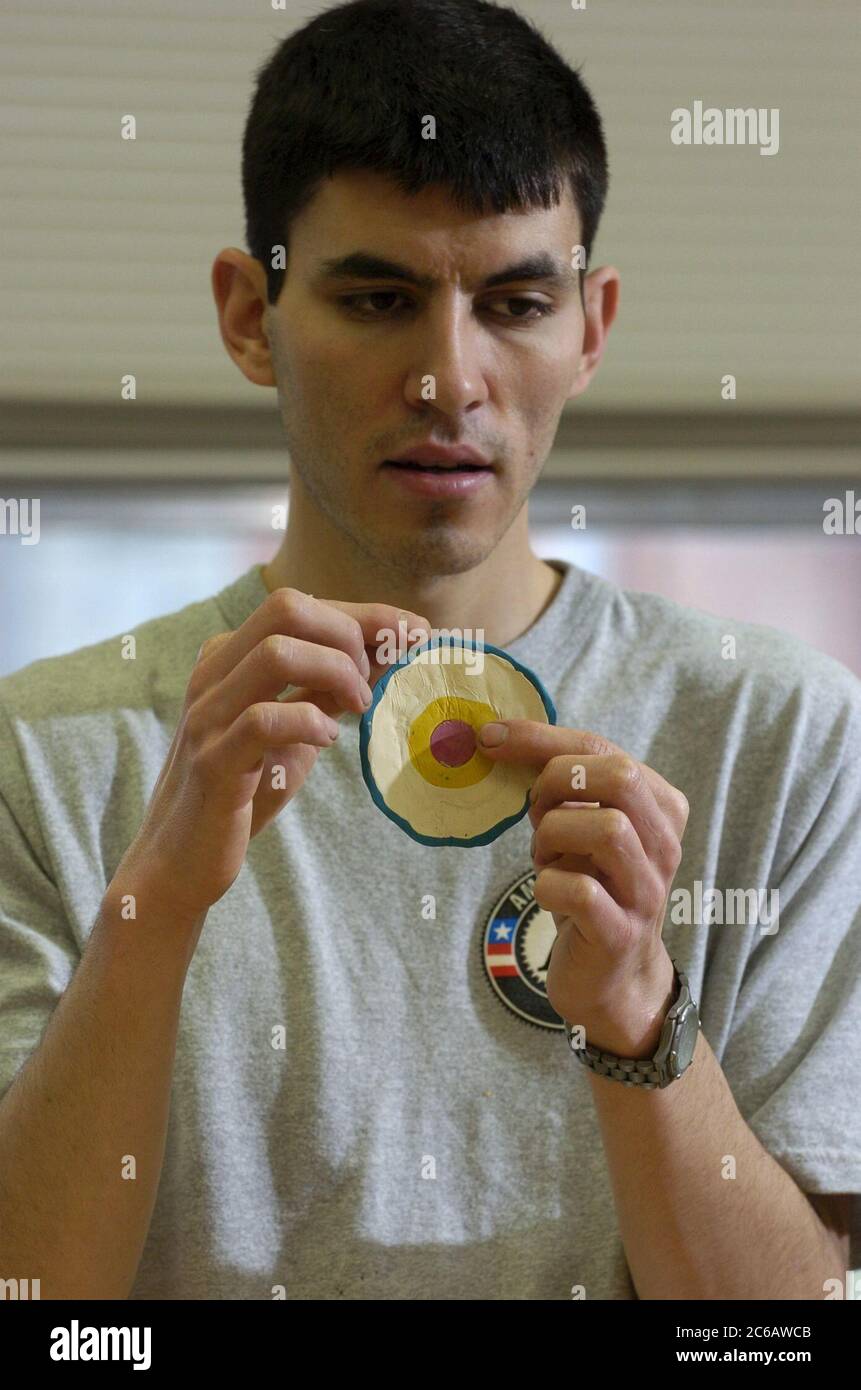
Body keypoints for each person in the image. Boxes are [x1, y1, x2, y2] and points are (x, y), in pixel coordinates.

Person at [0, 0, 857, 1301]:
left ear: (590, 327)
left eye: (514, 300)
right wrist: (152, 912)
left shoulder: (775, 731)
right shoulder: (43, 753)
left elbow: (788, 1331)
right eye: (377, 298)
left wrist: (639, 1019)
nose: (446, 379)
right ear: (248, 314)